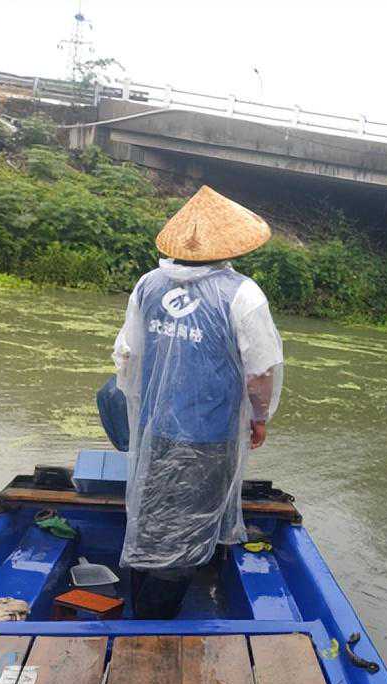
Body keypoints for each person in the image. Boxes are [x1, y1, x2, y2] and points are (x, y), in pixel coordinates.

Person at [111, 186, 283, 619]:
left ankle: (141, 609)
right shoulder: (242, 294)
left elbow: (126, 357)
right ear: (229, 246)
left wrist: (139, 410)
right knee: (190, 525)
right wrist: (259, 418)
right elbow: (260, 372)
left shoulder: (148, 285)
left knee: (151, 517)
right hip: (209, 436)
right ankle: (154, 619)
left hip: (154, 429)